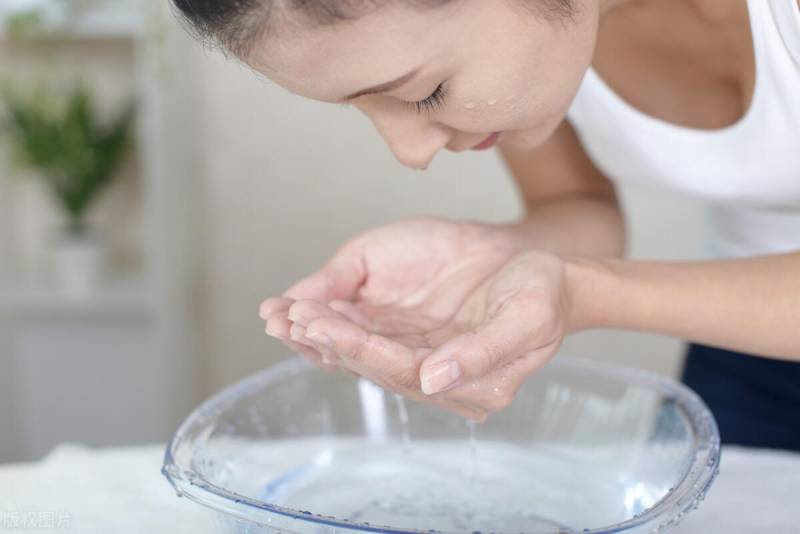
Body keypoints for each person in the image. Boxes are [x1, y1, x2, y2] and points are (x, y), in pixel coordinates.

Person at [172, 0, 800, 450]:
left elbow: (590, 274)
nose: (410, 152)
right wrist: (492, 253)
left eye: (423, 92)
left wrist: (585, 293)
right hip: (739, 345)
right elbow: (579, 205)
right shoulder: (558, 33)